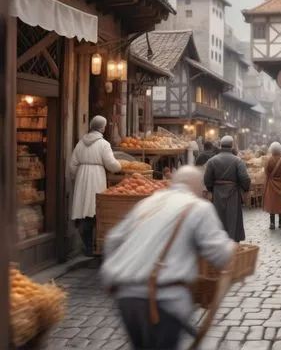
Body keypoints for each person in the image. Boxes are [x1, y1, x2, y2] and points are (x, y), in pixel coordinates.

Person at [100, 166, 236, 350]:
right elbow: (219, 254)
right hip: (163, 299)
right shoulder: (199, 207)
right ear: (197, 187)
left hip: (126, 298)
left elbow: (112, 241)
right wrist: (231, 248)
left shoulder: (148, 203)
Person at [70, 116, 121, 256]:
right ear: (102, 128)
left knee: (83, 209)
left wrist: (77, 176)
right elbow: (111, 164)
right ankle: (93, 246)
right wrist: (119, 166)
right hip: (96, 176)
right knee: (95, 209)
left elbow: (73, 164)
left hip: (82, 176)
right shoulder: (103, 144)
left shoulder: (81, 143)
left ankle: (87, 246)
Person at [204, 136, 251, 242]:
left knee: (218, 218)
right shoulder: (237, 160)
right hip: (233, 193)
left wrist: (212, 189)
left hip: (217, 193)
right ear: (232, 146)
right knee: (232, 218)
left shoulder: (212, 161)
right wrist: (245, 188)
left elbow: (207, 179)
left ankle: (219, 241)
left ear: (221, 145)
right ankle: (233, 243)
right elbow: (244, 177)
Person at [264, 142, 281, 229]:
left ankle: (272, 223)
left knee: (272, 203)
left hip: (271, 185)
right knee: (280, 203)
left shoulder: (269, 159)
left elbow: (266, 172)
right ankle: (280, 223)